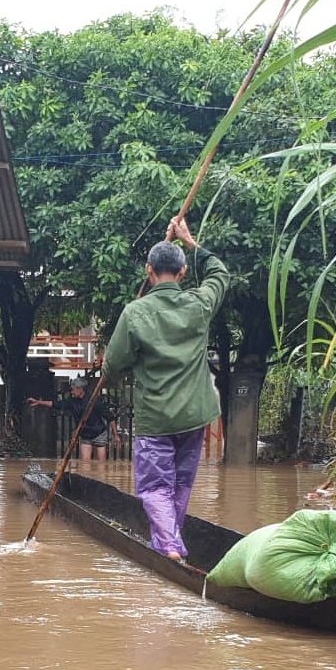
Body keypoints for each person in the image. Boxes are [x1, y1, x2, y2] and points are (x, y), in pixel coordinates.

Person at [102, 216, 232, 563]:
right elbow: (220, 274)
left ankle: (168, 547)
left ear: (149, 271)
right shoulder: (198, 304)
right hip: (194, 416)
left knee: (154, 487)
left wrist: (121, 367)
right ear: (184, 272)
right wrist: (191, 242)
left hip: (156, 418)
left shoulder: (135, 313)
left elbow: (113, 364)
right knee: (179, 484)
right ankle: (170, 539)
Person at [28, 377, 120, 461]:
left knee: (101, 464)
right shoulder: (72, 402)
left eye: (73, 390)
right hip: (85, 435)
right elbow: (56, 404)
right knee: (85, 464)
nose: (71, 392)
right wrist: (38, 402)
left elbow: (110, 417)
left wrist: (116, 435)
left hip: (99, 433)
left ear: (80, 389)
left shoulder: (94, 401)